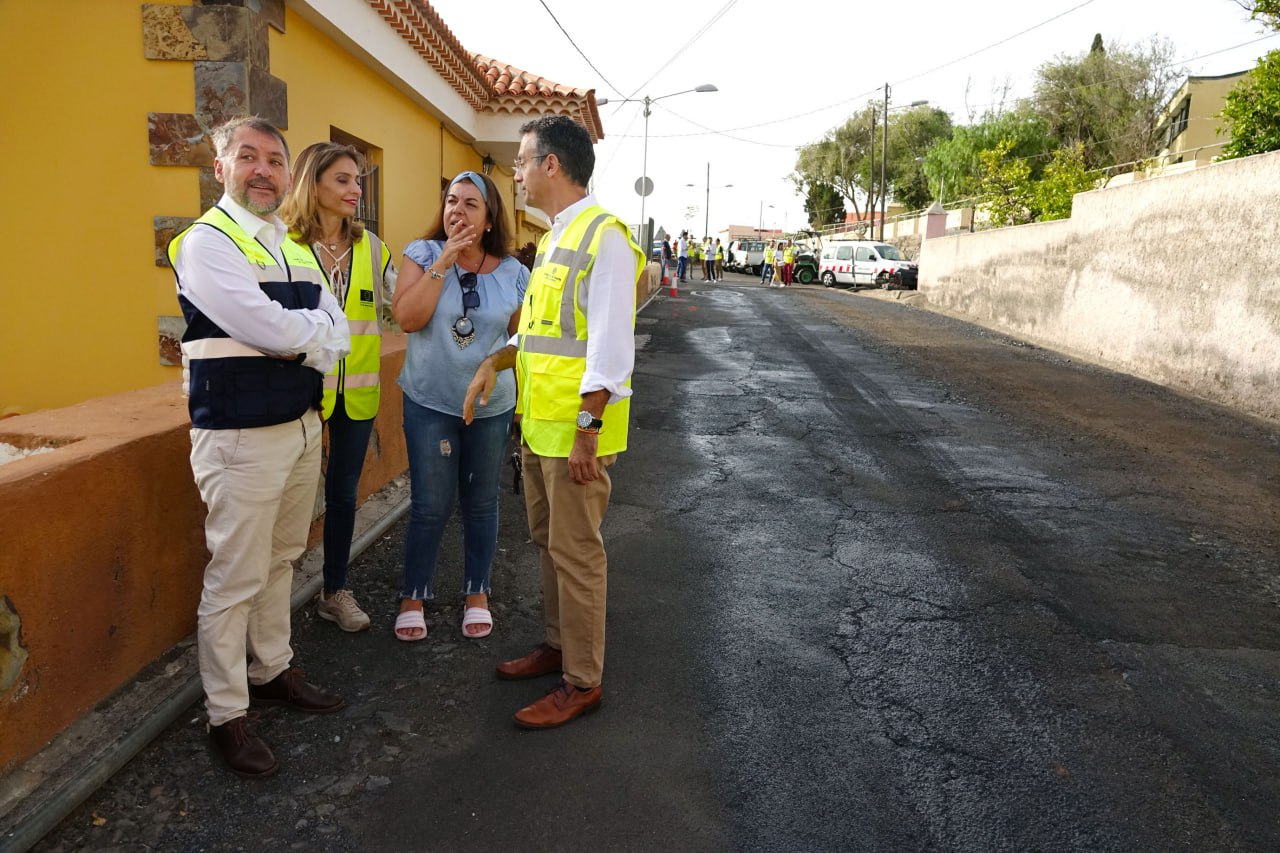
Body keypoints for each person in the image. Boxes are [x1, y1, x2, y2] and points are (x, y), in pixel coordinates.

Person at [168, 116, 349, 778]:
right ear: (221, 168)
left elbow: (339, 324)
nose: (264, 170)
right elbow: (264, 326)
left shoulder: (291, 244)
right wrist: (309, 332)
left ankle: (272, 666)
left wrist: (305, 332)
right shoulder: (206, 242)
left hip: (300, 426)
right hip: (240, 434)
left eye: (275, 159)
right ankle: (225, 713)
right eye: (249, 157)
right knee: (235, 574)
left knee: (281, 558)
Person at [464, 115, 643, 730]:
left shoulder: (605, 238)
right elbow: (543, 339)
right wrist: (496, 360)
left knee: (578, 554)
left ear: (552, 166)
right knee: (549, 546)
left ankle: (582, 680)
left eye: (520, 161)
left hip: (575, 436)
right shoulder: (555, 237)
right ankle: (558, 645)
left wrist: (588, 432)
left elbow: (611, 349)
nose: (513, 172)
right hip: (539, 429)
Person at [390, 170, 528, 642]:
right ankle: (414, 595)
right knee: (430, 503)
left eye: (471, 204)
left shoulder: (513, 272)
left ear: (489, 219)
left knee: (481, 501)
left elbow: (519, 341)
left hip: (491, 408)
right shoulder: (422, 253)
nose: (458, 211)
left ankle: (477, 592)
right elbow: (407, 318)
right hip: (431, 402)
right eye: (452, 201)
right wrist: (445, 260)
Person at [279, 142, 397, 633]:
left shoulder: (373, 248)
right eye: (344, 180)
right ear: (314, 184)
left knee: (344, 495)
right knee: (286, 497)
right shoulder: (282, 246)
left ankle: (335, 591)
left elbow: (399, 306)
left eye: (359, 180)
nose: (356, 190)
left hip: (359, 394)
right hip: (298, 394)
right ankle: (270, 601)